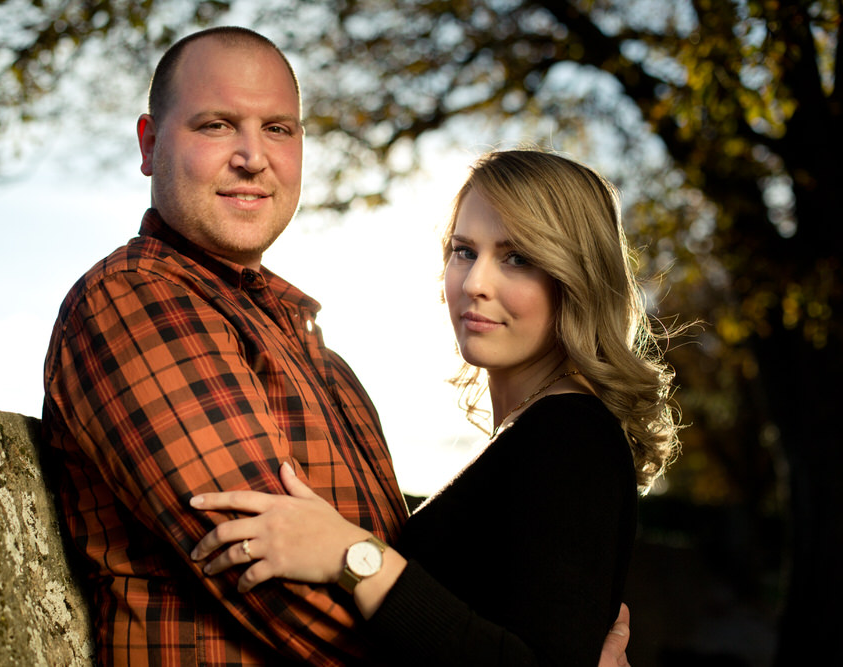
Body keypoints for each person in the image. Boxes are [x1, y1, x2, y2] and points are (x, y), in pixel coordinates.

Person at [42, 25, 633, 665]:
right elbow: (280, 592)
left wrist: (362, 564)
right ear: (151, 143)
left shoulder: (327, 366)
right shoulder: (139, 299)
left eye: (278, 128)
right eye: (216, 125)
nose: (251, 156)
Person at [190, 149, 681, 665]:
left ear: (574, 278)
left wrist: (351, 556)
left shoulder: (571, 434)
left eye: (517, 258)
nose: (474, 284)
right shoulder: (538, 431)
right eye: (464, 251)